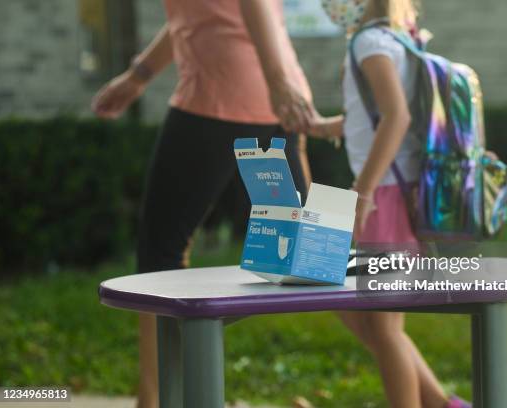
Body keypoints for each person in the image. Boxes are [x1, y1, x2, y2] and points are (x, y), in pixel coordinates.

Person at [91, 1, 315, 407]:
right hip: (270, 97)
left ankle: (158, 397)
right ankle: (428, 391)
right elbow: (194, 14)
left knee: (161, 252)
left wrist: (278, 81)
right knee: (309, 254)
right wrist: (138, 76)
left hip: (219, 97)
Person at [310, 0, 471, 407]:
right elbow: (373, 113)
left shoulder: (369, 43)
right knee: (360, 313)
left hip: (384, 198)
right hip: (399, 193)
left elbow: (396, 117)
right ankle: (442, 403)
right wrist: (326, 126)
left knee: (384, 329)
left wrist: (361, 193)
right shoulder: (396, 38)